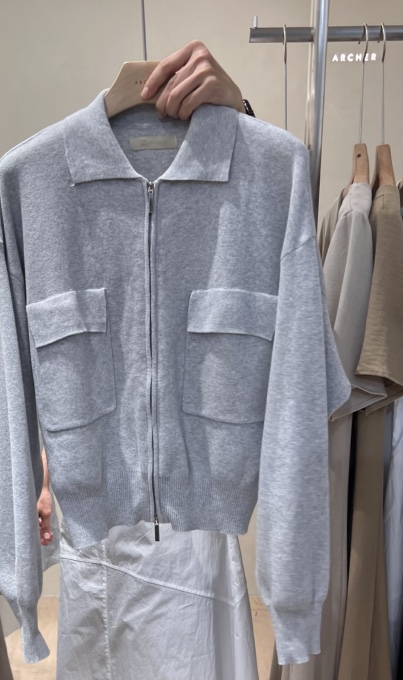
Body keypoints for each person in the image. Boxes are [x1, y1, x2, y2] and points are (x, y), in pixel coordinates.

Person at [37, 40, 248, 546]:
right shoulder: (33, 184)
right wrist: (40, 482)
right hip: (93, 539)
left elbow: (301, 391)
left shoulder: (262, 180)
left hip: (206, 533)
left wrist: (240, 118)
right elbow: (21, 384)